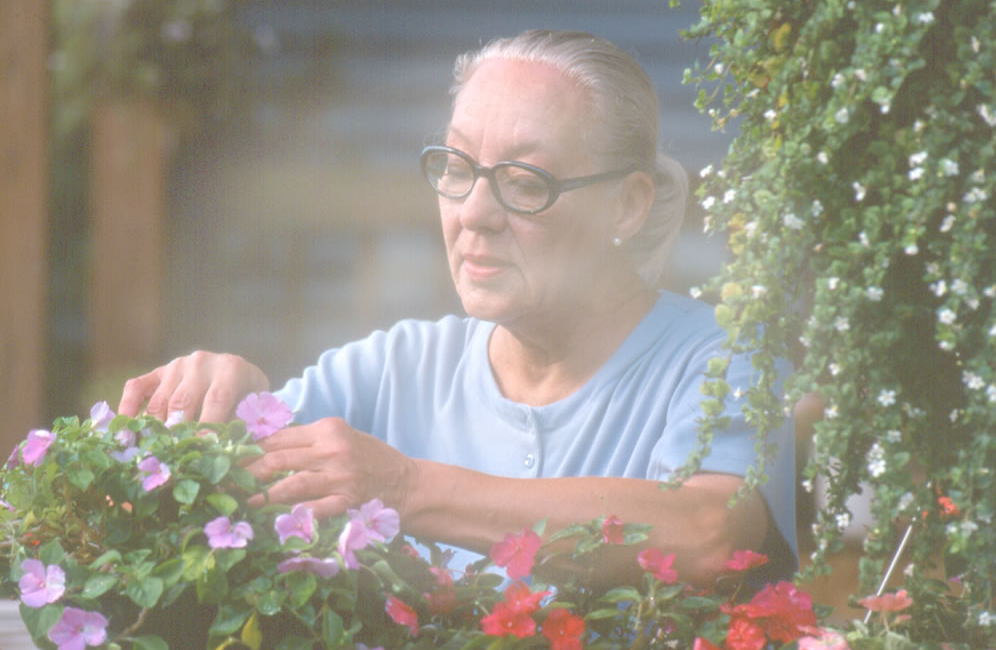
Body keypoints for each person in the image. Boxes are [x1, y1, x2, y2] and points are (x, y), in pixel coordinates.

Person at [118, 29, 797, 588]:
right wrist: (225, 400)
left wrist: (408, 487)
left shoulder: (718, 360)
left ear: (628, 203)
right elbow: (198, 496)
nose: (473, 213)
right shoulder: (394, 368)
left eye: (524, 181)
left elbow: (711, 532)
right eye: (457, 167)